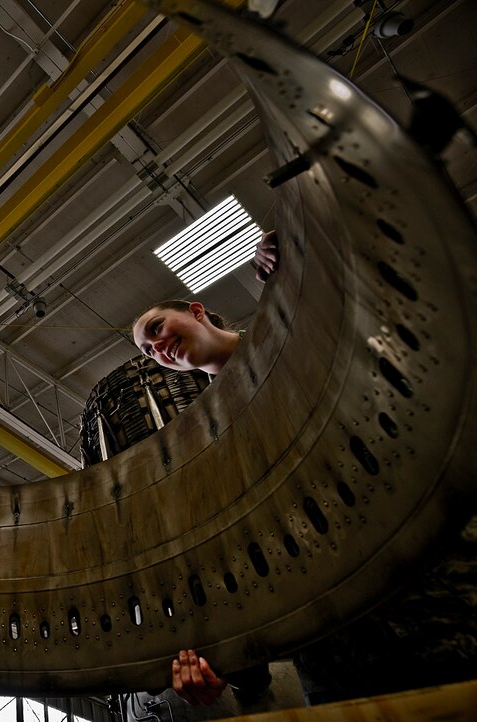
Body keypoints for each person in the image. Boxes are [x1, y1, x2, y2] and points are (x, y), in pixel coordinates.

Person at [132, 235, 477, 706]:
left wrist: (298, 250)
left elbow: (365, 294)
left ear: (196, 310)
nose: (157, 349)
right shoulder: (205, 436)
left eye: (155, 329)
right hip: (334, 651)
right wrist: (236, 671)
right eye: (149, 352)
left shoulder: (298, 337)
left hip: (441, 591)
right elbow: (239, 544)